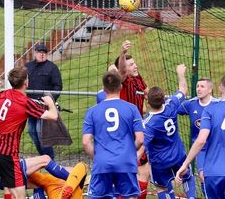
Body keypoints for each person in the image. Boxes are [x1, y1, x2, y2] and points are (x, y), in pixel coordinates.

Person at [0, 67, 59, 199]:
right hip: (7, 154)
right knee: (19, 196)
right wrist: (50, 103)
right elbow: (53, 116)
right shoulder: (26, 102)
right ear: (26, 82)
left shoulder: (4, 94)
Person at [82, 70, 144, 199]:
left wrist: (98, 157)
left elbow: (86, 142)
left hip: (102, 163)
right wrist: (130, 152)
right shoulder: (132, 108)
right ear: (120, 87)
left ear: (103, 88)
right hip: (126, 162)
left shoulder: (92, 111)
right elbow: (140, 139)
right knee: (130, 196)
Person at [143, 64, 196, 199]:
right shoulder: (171, 105)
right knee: (187, 177)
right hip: (178, 155)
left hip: (159, 162)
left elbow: (143, 143)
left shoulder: (148, 123)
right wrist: (180, 73)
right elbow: (183, 89)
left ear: (147, 101)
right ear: (163, 98)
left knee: (162, 188)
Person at [115, 40, 149, 198]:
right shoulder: (124, 81)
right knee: (129, 172)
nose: (135, 66)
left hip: (139, 128)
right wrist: (122, 53)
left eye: (134, 63)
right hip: (127, 131)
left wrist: (147, 100)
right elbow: (121, 71)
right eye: (131, 65)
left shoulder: (138, 78)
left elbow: (146, 90)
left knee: (144, 171)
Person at [177, 77, 219, 194]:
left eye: (202, 86)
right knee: (202, 176)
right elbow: (173, 109)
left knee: (219, 178)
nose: (198, 89)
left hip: (216, 147)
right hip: (201, 149)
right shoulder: (191, 104)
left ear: (210, 90)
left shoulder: (218, 105)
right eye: (197, 86)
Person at [26, 43, 62, 159]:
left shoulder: (52, 67)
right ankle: (44, 157)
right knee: (31, 131)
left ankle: (49, 159)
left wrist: (50, 101)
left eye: (44, 53)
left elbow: (58, 86)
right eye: (40, 52)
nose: (42, 55)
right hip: (30, 105)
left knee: (41, 132)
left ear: (47, 54)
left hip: (44, 106)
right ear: (35, 53)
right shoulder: (28, 67)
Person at [0, 155, 87, 199]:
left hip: (62, 190)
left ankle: (2, 177)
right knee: (82, 166)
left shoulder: (45, 181)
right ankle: (69, 186)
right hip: (70, 189)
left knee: (45, 160)